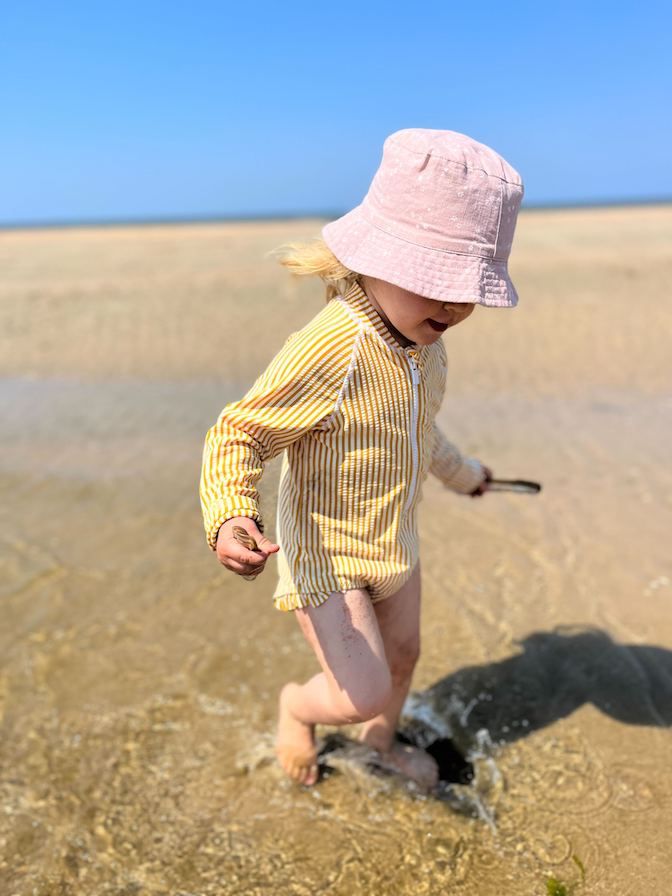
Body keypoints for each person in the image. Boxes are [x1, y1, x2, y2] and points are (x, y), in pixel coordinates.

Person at [199, 128, 524, 790]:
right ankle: (298, 706)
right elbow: (240, 432)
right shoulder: (332, 347)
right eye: (439, 280)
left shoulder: (425, 348)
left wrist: (468, 477)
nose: (455, 304)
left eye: (467, 288)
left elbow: (419, 432)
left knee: (405, 655)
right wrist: (231, 515)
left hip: (393, 540)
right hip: (327, 553)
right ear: (376, 259)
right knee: (361, 690)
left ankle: (379, 745)